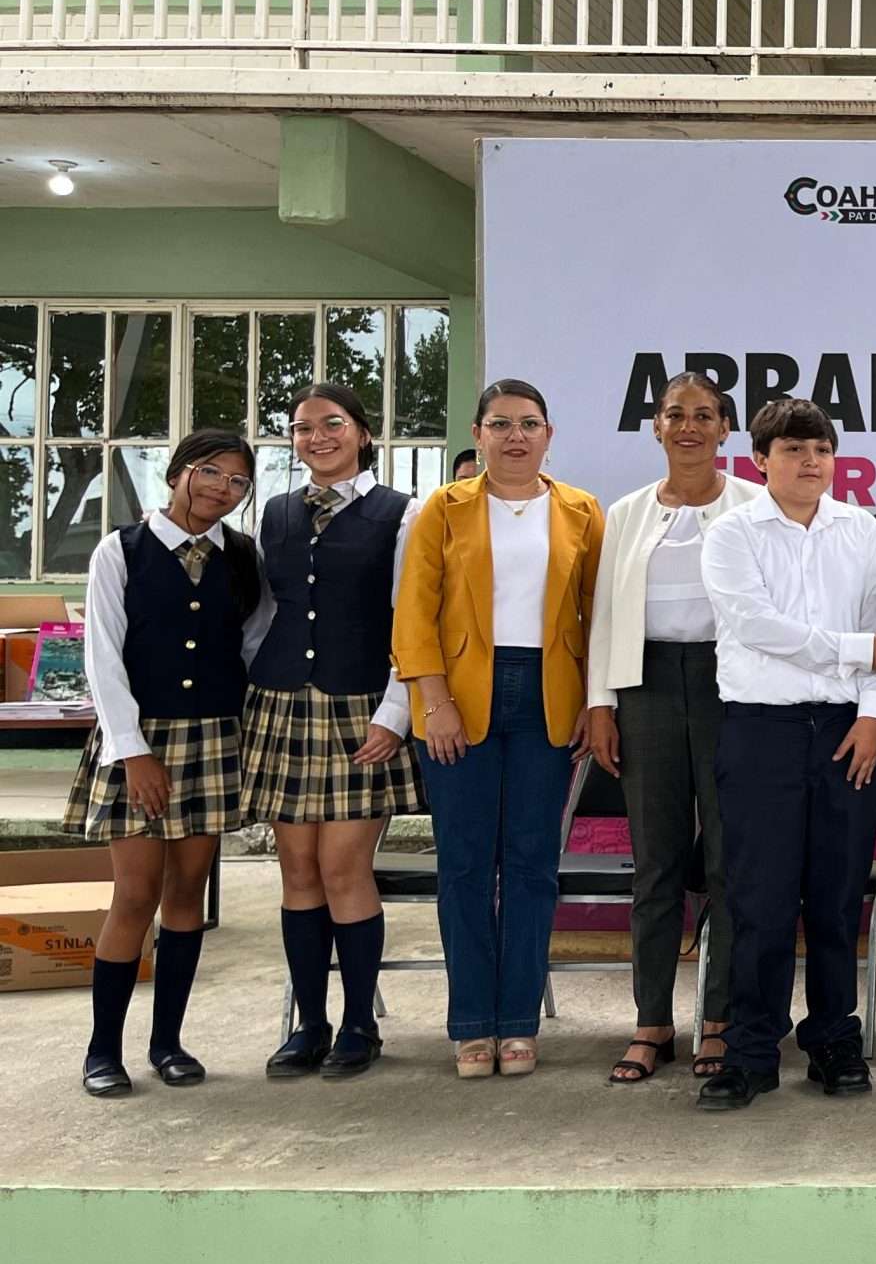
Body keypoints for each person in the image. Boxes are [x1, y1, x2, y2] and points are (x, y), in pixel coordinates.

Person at [694, 398, 876, 1111]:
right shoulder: (730, 533)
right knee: (758, 899)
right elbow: (757, 627)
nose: (810, 462)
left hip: (849, 732)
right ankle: (750, 1051)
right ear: (760, 460)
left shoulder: (860, 529)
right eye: (793, 450)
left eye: (820, 449)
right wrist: (859, 652)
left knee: (835, 897)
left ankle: (833, 1041)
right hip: (761, 730)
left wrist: (874, 715)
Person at [393, 379, 605, 1080]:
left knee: (531, 865)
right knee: (463, 864)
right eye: (502, 423)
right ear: (478, 434)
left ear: (549, 434)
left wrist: (594, 699)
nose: (516, 436)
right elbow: (413, 613)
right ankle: (470, 1025)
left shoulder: (581, 511)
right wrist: (433, 700)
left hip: (550, 696)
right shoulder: (443, 508)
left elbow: (597, 614)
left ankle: (518, 1023)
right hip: (457, 698)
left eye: (529, 424)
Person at [64, 430, 268, 1097]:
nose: (221, 489)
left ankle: (168, 1044)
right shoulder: (118, 550)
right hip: (139, 739)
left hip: (212, 738)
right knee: (135, 894)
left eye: (237, 482)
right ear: (177, 473)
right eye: (210, 472)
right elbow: (102, 655)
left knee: (187, 894)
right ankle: (102, 1052)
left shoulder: (243, 557)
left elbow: (253, 643)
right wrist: (133, 750)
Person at [584, 372, 762, 1084]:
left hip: (732, 687)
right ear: (656, 426)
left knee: (727, 861)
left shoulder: (754, 505)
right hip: (645, 686)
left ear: (726, 429)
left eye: (704, 415)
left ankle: (719, 1019)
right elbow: (604, 613)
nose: (689, 426)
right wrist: (602, 704)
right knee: (655, 862)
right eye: (675, 414)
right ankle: (651, 1021)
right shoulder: (626, 512)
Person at [246, 383, 425, 1082]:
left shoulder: (402, 512)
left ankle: (359, 1024)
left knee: (344, 868)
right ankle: (309, 1024)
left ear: (362, 433)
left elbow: (411, 620)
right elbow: (266, 613)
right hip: (281, 703)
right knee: (297, 872)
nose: (316, 437)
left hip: (361, 709)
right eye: (302, 428)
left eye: (331, 424)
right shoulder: (277, 511)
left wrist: (395, 715)